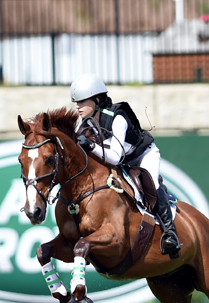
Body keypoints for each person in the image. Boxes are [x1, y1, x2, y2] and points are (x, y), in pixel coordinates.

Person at [69, 73, 180, 258]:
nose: (77, 106)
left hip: (143, 156)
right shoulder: (84, 124)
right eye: (76, 102)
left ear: (97, 99)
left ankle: (171, 234)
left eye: (82, 101)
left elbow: (113, 156)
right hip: (123, 163)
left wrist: (89, 145)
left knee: (152, 184)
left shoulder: (117, 118)